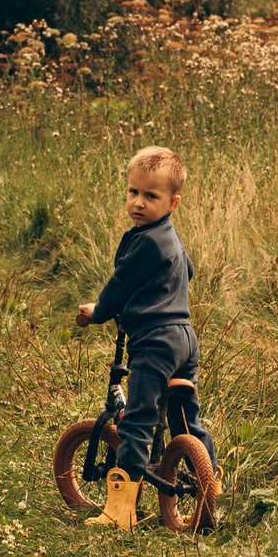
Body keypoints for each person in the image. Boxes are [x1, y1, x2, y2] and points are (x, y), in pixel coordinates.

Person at [74, 145, 198, 528]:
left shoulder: (145, 241)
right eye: (133, 192)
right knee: (183, 417)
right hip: (185, 337)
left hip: (155, 339)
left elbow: (119, 285)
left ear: (173, 202)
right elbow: (188, 271)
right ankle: (205, 484)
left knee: (138, 421)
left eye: (151, 196)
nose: (139, 202)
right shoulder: (170, 238)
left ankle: (120, 511)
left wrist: (99, 312)